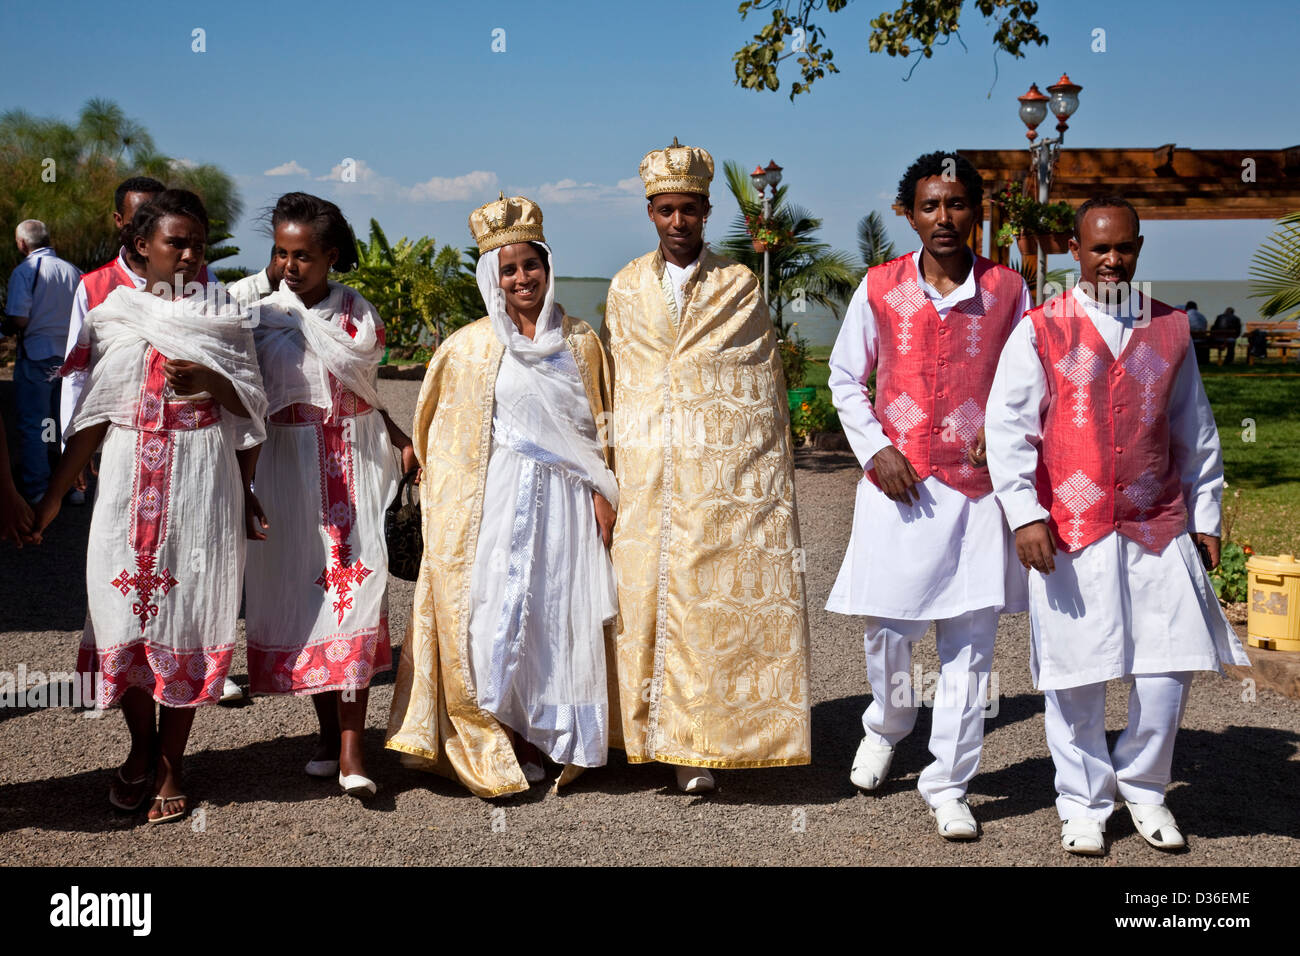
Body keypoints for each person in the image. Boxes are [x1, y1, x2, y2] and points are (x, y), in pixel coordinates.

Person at [985, 196, 1249, 856]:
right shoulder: (1042, 328)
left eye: (1122, 247)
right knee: (1077, 670)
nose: (1111, 258)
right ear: (1075, 252)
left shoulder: (1171, 330)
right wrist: (1025, 515)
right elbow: (1008, 430)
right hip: (1072, 527)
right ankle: (1081, 800)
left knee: (1169, 667)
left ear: (1138, 247)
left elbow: (1197, 432)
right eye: (1098, 247)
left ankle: (1147, 787)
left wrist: (1207, 518)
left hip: (1157, 522)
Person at [33, 189, 267, 824]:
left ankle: (171, 761)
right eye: (175, 241)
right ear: (142, 245)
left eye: (198, 240)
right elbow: (94, 414)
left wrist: (216, 384)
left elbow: (254, 411)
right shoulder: (115, 314)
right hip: (127, 477)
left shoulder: (226, 314)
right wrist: (55, 494)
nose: (189, 253)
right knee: (120, 613)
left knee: (190, 614)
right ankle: (139, 745)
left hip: (203, 481)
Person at [825, 151, 1031, 839]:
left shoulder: (1009, 290)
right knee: (888, 628)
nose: (945, 218)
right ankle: (886, 723)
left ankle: (950, 781)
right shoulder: (880, 287)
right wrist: (875, 448)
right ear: (908, 214)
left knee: (971, 644)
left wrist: (1004, 435)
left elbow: (1029, 381)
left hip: (976, 495)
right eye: (930, 206)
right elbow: (844, 376)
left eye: (958, 204)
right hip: (898, 487)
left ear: (978, 211)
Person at [387, 194, 619, 797]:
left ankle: (555, 735)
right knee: (496, 611)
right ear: (492, 277)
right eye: (508, 269)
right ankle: (500, 736)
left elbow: (603, 423)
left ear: (548, 265)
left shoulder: (582, 340)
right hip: (494, 501)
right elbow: (437, 431)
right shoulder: (467, 347)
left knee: (554, 612)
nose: (522, 279)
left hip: (567, 503)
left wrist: (604, 491)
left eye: (530, 265)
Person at [600, 139, 811, 793]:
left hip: (719, 481)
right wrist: (612, 469)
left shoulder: (738, 285)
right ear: (651, 213)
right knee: (637, 604)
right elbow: (622, 381)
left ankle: (704, 744)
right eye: (665, 210)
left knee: (708, 609)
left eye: (689, 210)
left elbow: (756, 388)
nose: (678, 222)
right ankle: (633, 737)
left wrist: (751, 477)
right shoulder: (626, 287)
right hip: (644, 474)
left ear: (707, 210)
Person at [243, 193, 412, 797]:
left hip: (354, 464)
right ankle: (323, 733)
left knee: (357, 599)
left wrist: (396, 432)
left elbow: (362, 387)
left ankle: (351, 749)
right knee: (308, 602)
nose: (290, 266)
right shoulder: (258, 314)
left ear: (330, 256)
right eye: (281, 253)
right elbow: (245, 402)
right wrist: (243, 486)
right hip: (287, 473)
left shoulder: (357, 318)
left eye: (304, 256)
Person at [4, 220, 82, 501]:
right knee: (65, 422)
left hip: (37, 355)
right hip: (70, 358)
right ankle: (71, 487)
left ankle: (37, 489)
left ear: (23, 244)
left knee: (34, 424)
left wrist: (7, 328)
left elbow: (20, 318)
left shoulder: (25, 271)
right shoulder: (73, 271)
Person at [1185, 300, 1210, 364]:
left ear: (1187, 307)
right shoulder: (1201, 316)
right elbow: (1205, 325)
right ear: (1196, 307)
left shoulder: (1186, 315)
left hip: (1191, 340)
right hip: (1202, 339)